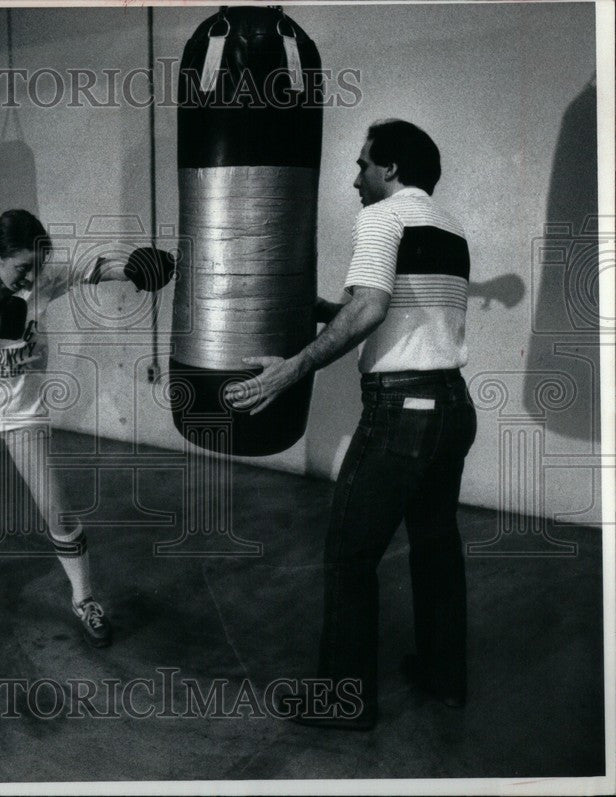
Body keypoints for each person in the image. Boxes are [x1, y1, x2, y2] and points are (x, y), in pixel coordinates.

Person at [227, 120, 476, 728]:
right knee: (436, 546)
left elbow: (371, 307)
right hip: (451, 409)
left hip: (402, 415)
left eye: (363, 164)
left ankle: (343, 700)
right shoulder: (449, 225)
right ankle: (445, 677)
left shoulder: (383, 218)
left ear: (390, 169)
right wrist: (304, 306)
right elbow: (394, 309)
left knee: (348, 554)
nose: (355, 178)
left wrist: (291, 369)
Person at [0, 208, 175, 649]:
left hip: (23, 412)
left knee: (57, 513)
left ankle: (84, 599)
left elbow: (92, 269)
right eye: (21, 267)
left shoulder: (38, 275)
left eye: (36, 267)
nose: (30, 278)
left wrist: (135, 269)